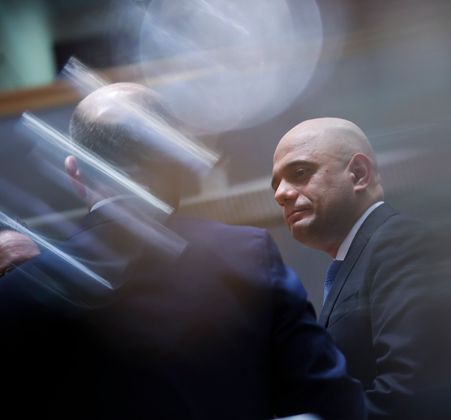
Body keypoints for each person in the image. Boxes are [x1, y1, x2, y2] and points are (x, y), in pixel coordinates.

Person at [0, 84, 364, 419]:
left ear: (74, 171)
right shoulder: (248, 255)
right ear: (173, 163)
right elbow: (330, 402)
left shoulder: (19, 289)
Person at [272, 117, 442, 419]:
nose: (281, 194)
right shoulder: (356, 258)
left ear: (358, 173)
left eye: (299, 173)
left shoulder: (401, 241)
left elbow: (410, 393)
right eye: (277, 184)